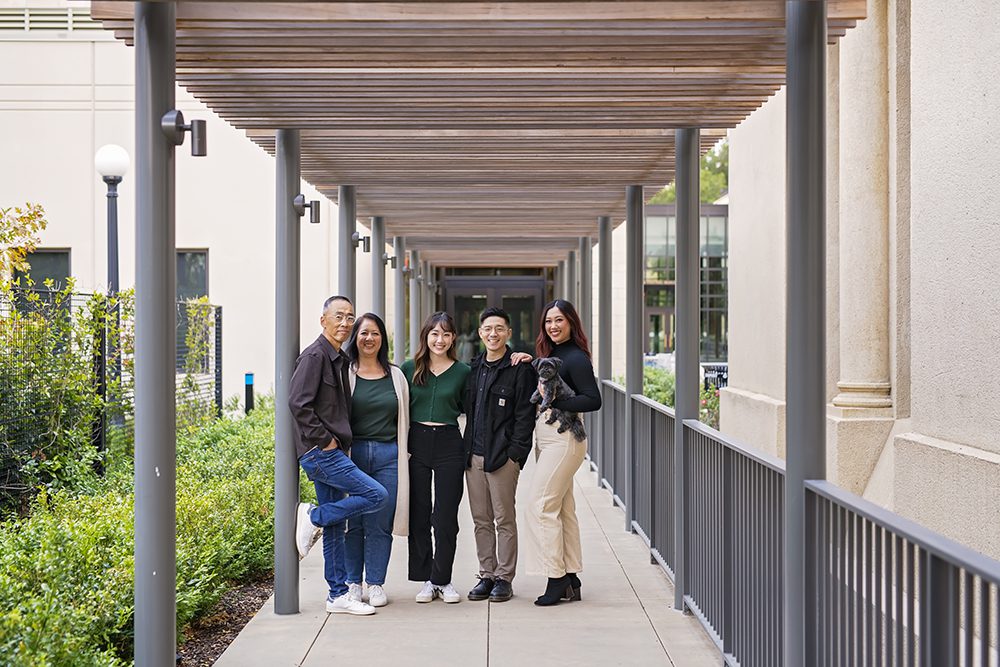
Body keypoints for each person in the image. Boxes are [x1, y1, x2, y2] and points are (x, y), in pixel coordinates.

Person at [289, 296, 389, 616]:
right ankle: (312, 517)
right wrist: (326, 441)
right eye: (339, 317)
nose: (345, 323)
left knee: (337, 525)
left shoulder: (338, 358)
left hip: (332, 451)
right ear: (323, 320)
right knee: (376, 494)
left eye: (350, 317)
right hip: (321, 454)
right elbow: (298, 403)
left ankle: (336, 595)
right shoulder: (315, 356)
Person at [525, 299, 602, 606]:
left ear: (571, 322)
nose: (553, 326)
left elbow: (592, 400)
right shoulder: (552, 355)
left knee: (539, 505)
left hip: (565, 439)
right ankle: (571, 577)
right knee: (562, 508)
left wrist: (556, 404)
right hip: (547, 436)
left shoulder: (577, 358)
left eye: (559, 320)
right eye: (548, 322)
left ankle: (555, 578)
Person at [463, 307, 537, 603]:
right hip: (473, 456)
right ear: (480, 333)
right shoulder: (472, 369)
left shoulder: (520, 369)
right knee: (481, 519)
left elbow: (525, 416)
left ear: (508, 333)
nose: (492, 334)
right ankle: (486, 574)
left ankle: (504, 578)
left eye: (499, 329)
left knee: (504, 519)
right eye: (487, 329)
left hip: (502, 457)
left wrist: (515, 455)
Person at [341, 313, 410, 608]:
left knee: (380, 522)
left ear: (383, 339)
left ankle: (376, 583)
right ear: (355, 337)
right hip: (352, 456)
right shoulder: (345, 373)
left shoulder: (396, 375)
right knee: (353, 521)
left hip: (388, 456)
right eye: (364, 333)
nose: (369, 339)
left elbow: (406, 417)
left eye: (375, 334)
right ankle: (353, 583)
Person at [401, 312, 471, 604]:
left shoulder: (463, 372)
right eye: (434, 334)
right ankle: (425, 579)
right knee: (418, 513)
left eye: (445, 334)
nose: (439, 340)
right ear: (425, 337)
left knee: (444, 517)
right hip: (415, 442)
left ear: (453, 338)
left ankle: (443, 579)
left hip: (449, 443)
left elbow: (473, 410)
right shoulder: (408, 368)